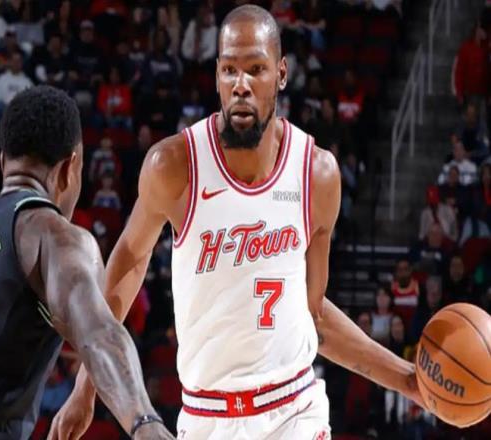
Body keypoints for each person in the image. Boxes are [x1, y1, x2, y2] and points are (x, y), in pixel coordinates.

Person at [51, 6, 425, 439]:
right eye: (229, 70)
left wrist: (408, 381)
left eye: (256, 69)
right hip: (206, 416)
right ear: (216, 77)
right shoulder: (174, 165)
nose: (241, 84)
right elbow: (128, 266)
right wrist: (86, 387)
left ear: (281, 74)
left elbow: (314, 314)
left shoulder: (317, 174)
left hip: (294, 412)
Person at [0, 86, 173, 440]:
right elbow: (99, 334)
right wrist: (145, 424)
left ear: (2, 162)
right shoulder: (51, 235)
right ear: (70, 168)